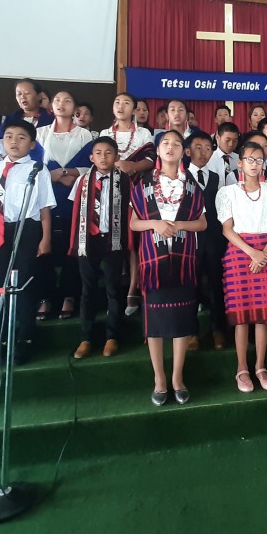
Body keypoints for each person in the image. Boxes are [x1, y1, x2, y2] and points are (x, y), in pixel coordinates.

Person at [130, 131, 207, 406]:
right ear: (158, 151)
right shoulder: (142, 185)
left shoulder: (192, 186)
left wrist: (178, 226)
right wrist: (156, 224)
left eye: (177, 144)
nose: (171, 147)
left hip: (184, 260)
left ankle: (177, 377)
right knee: (155, 325)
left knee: (182, 322)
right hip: (153, 263)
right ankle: (159, 379)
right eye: (165, 143)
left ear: (183, 151)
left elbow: (202, 223)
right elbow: (134, 223)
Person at [0, 121, 55, 367]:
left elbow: (44, 208)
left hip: (26, 229)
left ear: (31, 144)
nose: (14, 142)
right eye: (9, 136)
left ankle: (25, 338)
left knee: (24, 285)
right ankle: (0, 341)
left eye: (21, 138)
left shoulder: (38, 170)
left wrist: (46, 238)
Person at [217, 141, 267, 393]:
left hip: (266, 253)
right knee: (242, 317)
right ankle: (242, 368)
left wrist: (264, 253)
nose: (255, 164)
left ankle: (260, 366)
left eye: (259, 159)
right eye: (250, 159)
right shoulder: (228, 192)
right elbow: (226, 229)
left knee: (262, 316)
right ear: (240, 163)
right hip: (239, 253)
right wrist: (251, 252)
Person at [68, 137, 131, 359]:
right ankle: (86, 338)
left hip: (113, 239)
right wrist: (75, 243)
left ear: (117, 157)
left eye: (108, 153)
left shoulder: (125, 181)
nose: (103, 157)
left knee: (113, 289)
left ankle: (112, 336)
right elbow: (75, 212)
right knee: (88, 290)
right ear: (91, 157)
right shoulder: (83, 181)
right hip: (88, 239)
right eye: (99, 153)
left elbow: (131, 212)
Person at [36, 90, 93, 320]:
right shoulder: (40, 134)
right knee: (44, 249)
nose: (61, 104)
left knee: (73, 249)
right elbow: (36, 168)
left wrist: (62, 173)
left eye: (67, 100)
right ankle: (45, 298)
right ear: (51, 106)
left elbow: (88, 168)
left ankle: (70, 296)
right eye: (57, 100)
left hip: (74, 197)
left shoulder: (84, 135)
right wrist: (55, 175)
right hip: (45, 199)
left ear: (75, 108)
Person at [99, 92, 156, 316]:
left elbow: (150, 160)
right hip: (108, 191)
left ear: (134, 109)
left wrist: (132, 166)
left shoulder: (142, 133)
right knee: (113, 236)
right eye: (117, 102)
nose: (120, 106)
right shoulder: (105, 133)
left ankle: (134, 286)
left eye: (126, 103)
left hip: (135, 190)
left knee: (134, 240)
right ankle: (113, 289)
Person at [185, 131, 227, 349]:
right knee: (191, 285)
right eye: (198, 147)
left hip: (213, 239)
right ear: (187, 151)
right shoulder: (181, 177)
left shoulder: (216, 178)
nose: (203, 152)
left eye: (208, 148)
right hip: (189, 240)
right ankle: (191, 332)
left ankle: (217, 329)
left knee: (215, 284)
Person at [208, 122, 240, 186]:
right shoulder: (209, 159)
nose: (231, 144)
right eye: (227, 140)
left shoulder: (240, 159)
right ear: (217, 137)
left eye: (235, 141)